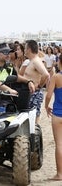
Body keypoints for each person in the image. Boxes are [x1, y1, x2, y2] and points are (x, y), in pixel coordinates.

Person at [23, 40, 50, 125]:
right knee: (30, 117)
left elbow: (46, 74)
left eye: (25, 48)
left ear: (29, 49)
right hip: (29, 93)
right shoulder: (32, 61)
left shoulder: (36, 61)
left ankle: (35, 136)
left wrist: (39, 86)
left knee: (34, 118)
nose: (24, 50)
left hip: (34, 93)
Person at [45, 53, 62, 181]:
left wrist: (46, 106)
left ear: (59, 62)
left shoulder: (56, 77)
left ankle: (60, 174)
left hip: (58, 114)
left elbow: (49, 95)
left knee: (59, 145)